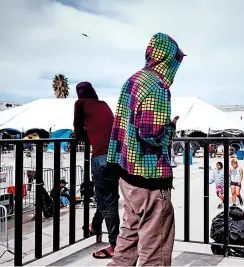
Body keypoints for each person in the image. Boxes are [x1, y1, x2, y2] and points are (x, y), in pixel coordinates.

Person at [106, 33, 185, 266]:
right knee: (155, 249)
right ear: (168, 59)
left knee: (128, 237)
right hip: (148, 179)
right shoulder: (158, 87)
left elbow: (123, 126)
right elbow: (150, 132)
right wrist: (170, 128)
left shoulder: (133, 80)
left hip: (127, 175)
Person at [73, 81, 120, 259]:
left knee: (108, 202)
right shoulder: (104, 105)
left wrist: (87, 137)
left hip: (101, 157)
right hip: (117, 158)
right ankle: (95, 225)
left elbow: (78, 132)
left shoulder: (80, 104)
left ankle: (115, 245)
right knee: (107, 195)